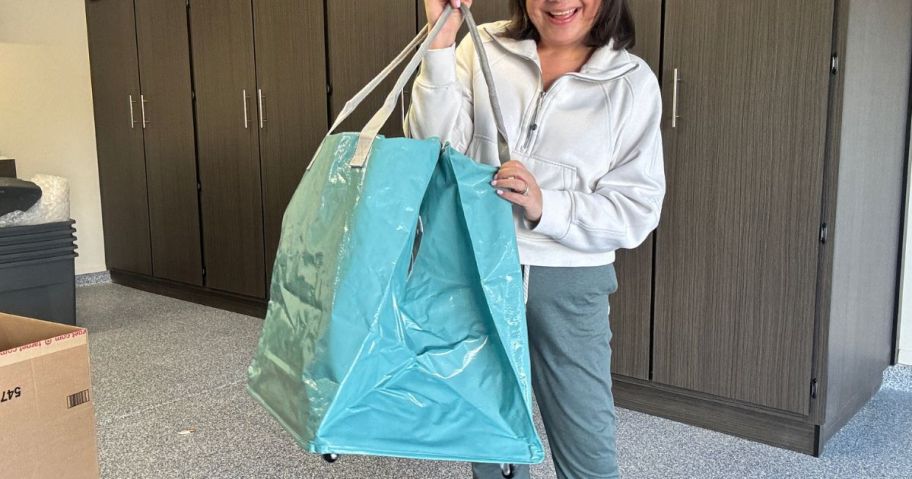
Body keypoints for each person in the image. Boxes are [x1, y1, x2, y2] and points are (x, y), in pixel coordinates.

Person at [407, 0, 665, 477]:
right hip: (478, 267)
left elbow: (637, 210)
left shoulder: (632, 83)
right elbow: (433, 150)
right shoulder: (482, 46)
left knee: (587, 450)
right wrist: (440, 40)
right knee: (493, 442)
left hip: (569, 281)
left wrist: (547, 206)